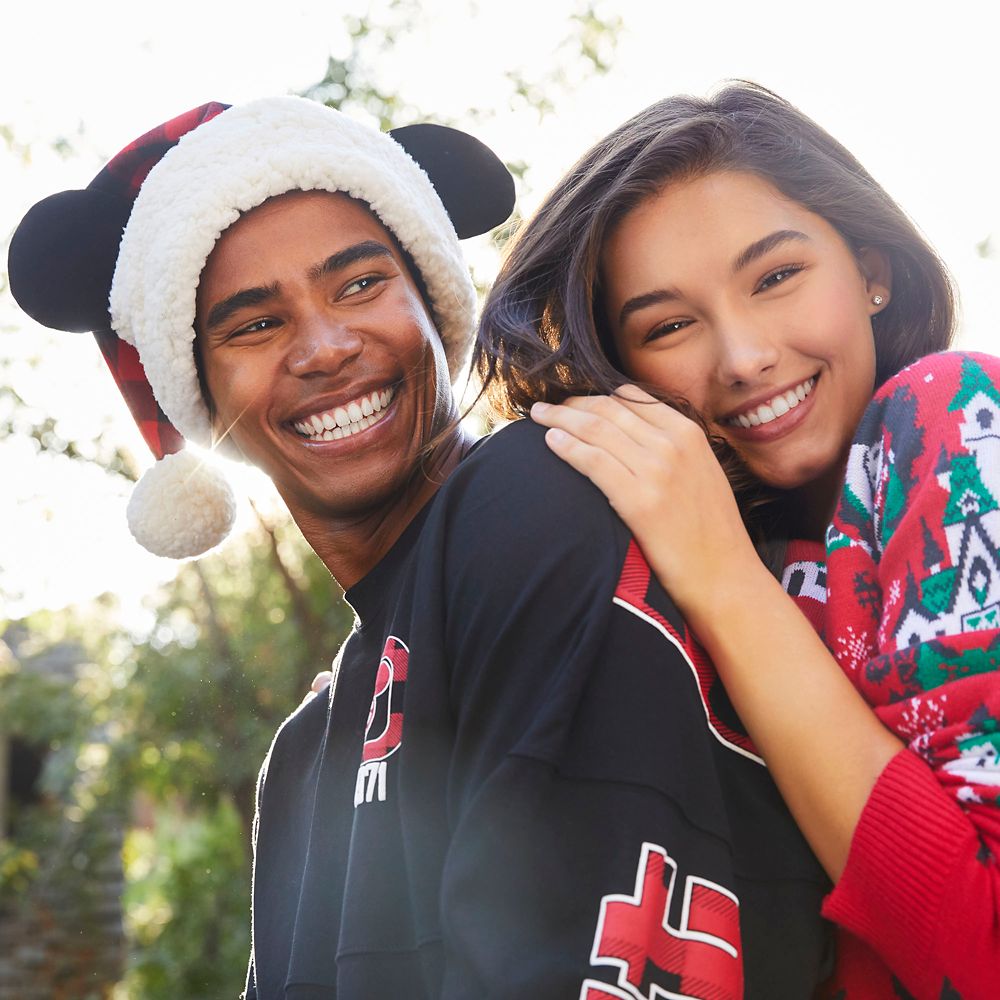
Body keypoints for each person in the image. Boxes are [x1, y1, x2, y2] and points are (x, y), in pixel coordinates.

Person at [9, 96, 832, 998]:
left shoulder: (538, 499)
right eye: (254, 324)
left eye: (361, 284)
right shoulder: (301, 764)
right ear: (200, 397)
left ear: (437, 304)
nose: (325, 347)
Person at [474, 81, 1000, 998]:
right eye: (670, 325)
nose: (744, 355)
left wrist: (728, 585)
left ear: (872, 268)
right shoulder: (677, 564)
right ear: (618, 367)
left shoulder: (950, 422)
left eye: (776, 276)